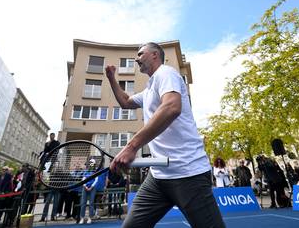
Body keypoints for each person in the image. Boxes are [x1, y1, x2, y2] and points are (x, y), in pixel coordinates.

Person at [105, 42, 225, 228]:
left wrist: (131, 147)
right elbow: (126, 101)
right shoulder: (149, 89)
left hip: (188, 173)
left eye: (140, 53)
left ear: (154, 55)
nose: (136, 58)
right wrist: (111, 78)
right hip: (158, 177)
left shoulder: (166, 73)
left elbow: (171, 107)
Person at [79, 159, 102, 224]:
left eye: (92, 163)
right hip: (85, 188)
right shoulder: (86, 171)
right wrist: (85, 186)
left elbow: (96, 180)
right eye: (90, 163)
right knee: (83, 203)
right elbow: (83, 179)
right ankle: (82, 218)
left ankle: (90, 218)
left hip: (92, 188)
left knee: (91, 203)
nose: (90, 164)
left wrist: (91, 187)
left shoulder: (95, 171)